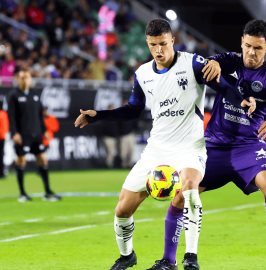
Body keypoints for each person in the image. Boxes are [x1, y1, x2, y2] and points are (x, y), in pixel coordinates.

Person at [74, 19, 253, 270]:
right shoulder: (143, 74)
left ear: (172, 41)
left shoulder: (193, 63)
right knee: (122, 209)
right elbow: (133, 109)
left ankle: (190, 257)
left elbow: (223, 87)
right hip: (156, 149)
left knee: (190, 188)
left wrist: (242, 100)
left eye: (163, 44)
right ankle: (127, 256)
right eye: (152, 45)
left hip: (190, 147)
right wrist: (99, 115)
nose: (158, 50)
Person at [151, 20, 266, 270]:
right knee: (181, 195)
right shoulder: (229, 60)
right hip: (214, 146)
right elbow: (207, 63)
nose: (251, 52)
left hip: (249, 146)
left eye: (258, 48)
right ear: (241, 42)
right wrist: (213, 63)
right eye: (248, 46)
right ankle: (168, 260)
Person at [7, 69, 61, 202]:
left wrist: (45, 131)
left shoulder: (35, 95)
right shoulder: (13, 95)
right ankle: (22, 193)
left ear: (31, 79)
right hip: (22, 135)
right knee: (21, 161)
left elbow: (40, 117)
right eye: (22, 77)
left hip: (36, 134)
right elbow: (11, 117)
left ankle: (47, 192)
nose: (25, 79)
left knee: (43, 160)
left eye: (27, 77)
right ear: (17, 79)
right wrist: (14, 133)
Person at [0, 98, 9, 178]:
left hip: (2, 137)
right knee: (1, 155)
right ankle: (2, 171)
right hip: (2, 137)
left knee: (1, 155)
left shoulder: (3, 114)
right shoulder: (4, 114)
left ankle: (2, 171)